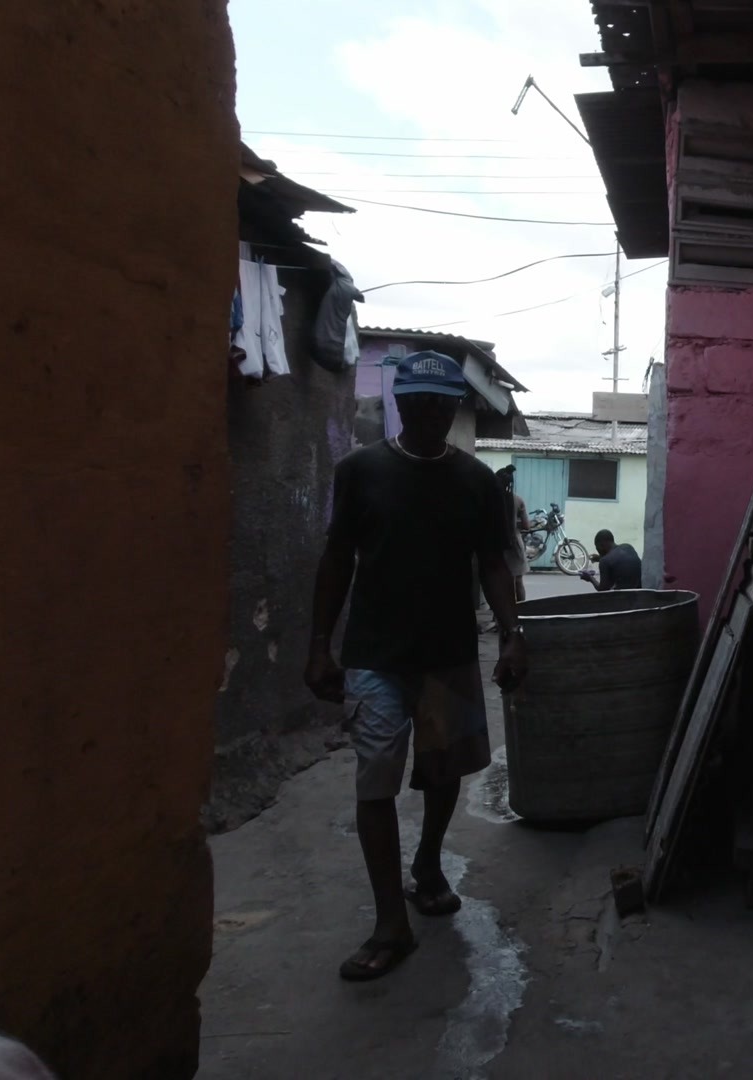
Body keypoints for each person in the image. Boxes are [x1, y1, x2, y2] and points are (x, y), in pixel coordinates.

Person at [304, 350, 528, 982]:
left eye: (442, 404)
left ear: (455, 408)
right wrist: (320, 644)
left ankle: (427, 861)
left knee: (443, 771)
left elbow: (492, 563)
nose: (431, 414)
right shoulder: (359, 471)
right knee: (374, 779)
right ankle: (389, 924)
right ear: (399, 404)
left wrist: (513, 635)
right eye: (419, 403)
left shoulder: (477, 483)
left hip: (450, 654)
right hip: (375, 657)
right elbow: (336, 559)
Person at [496, 464, 528, 602]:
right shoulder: (518, 500)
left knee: (498, 583)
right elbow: (527, 525)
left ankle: (499, 616)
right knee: (518, 582)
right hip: (514, 544)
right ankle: (523, 613)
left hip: (495, 545)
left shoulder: (491, 499)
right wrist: (515, 524)